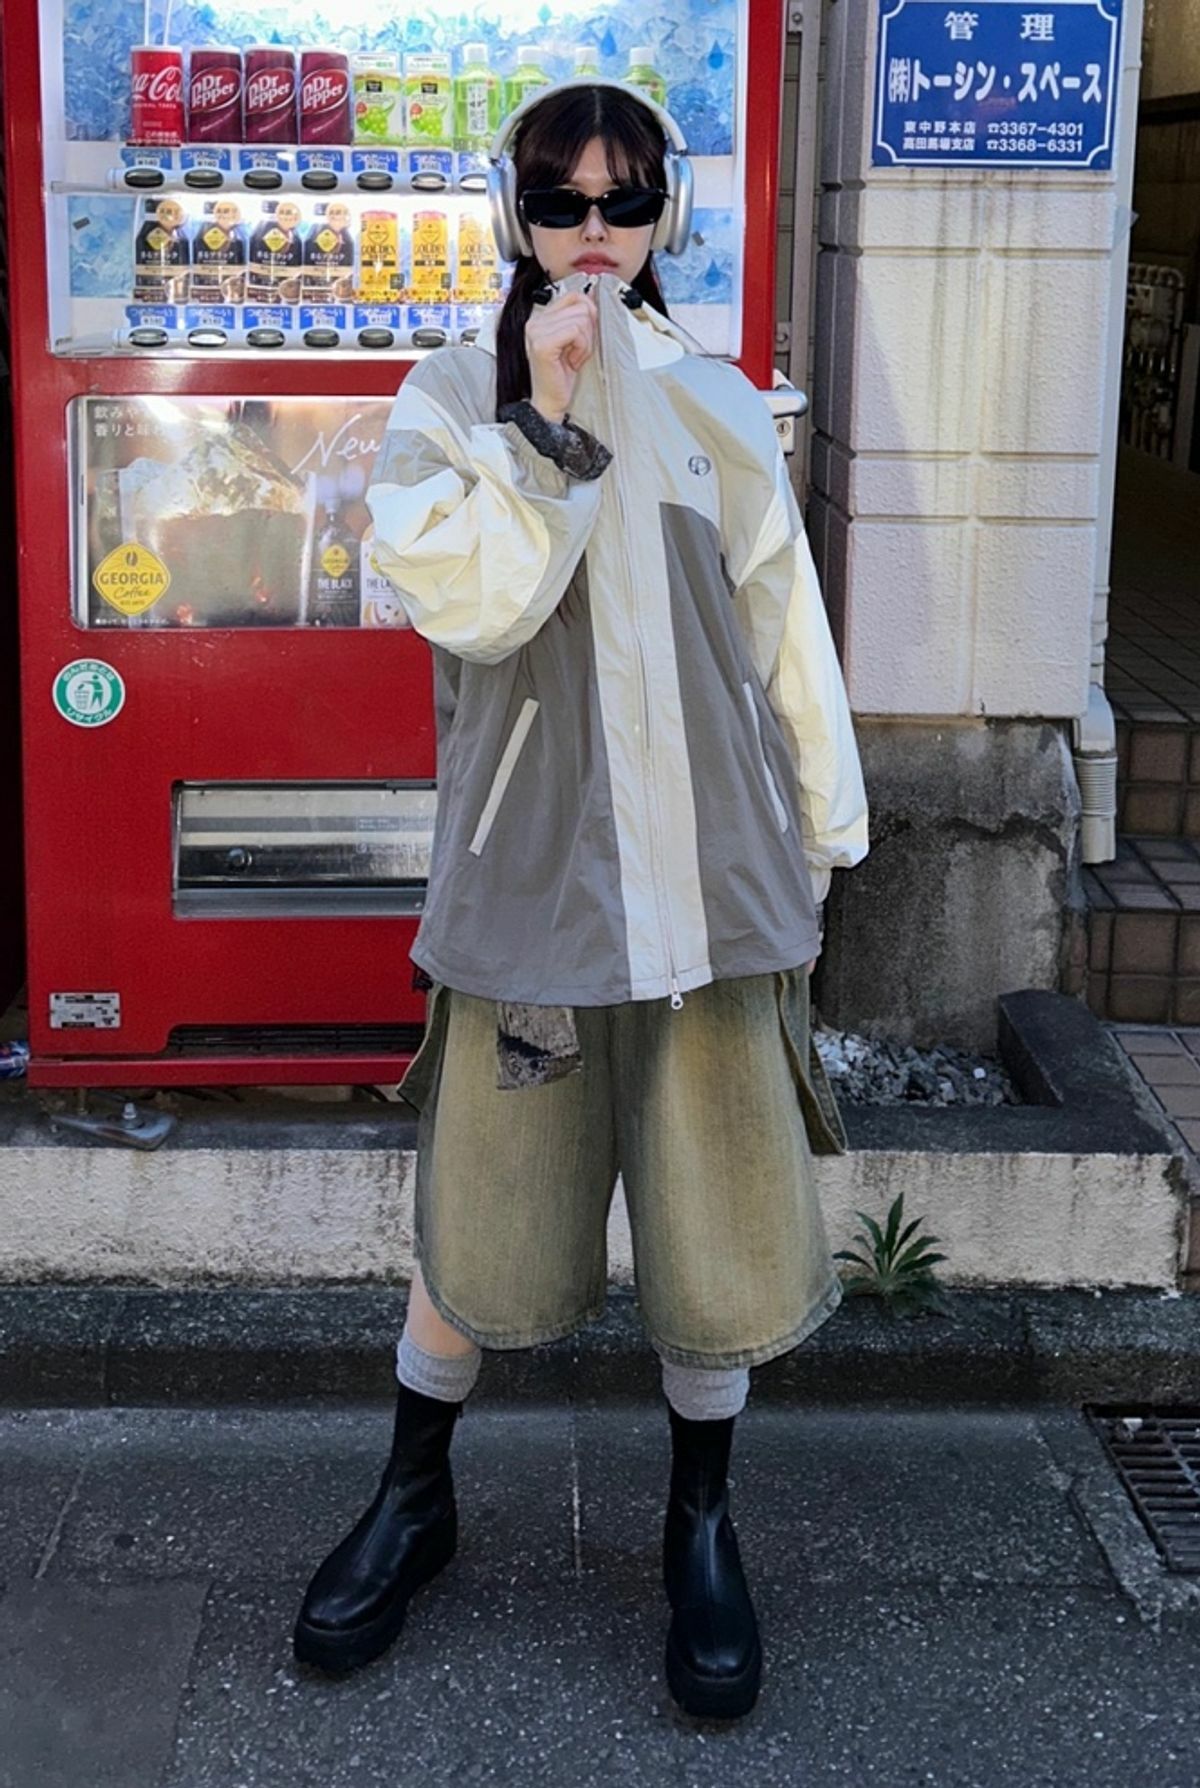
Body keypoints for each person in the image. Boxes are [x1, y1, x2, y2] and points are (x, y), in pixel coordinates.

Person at [293, 77, 868, 1721]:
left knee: (709, 1223)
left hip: (712, 889)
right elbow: (468, 606)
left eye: (623, 201)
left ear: (665, 212)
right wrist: (544, 423)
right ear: (517, 216)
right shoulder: (444, 397)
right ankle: (415, 1494)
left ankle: (701, 1527)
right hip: (530, 891)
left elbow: (782, 626)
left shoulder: (719, 403)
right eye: (562, 201)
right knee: (481, 1215)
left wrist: (825, 828)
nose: (594, 232)